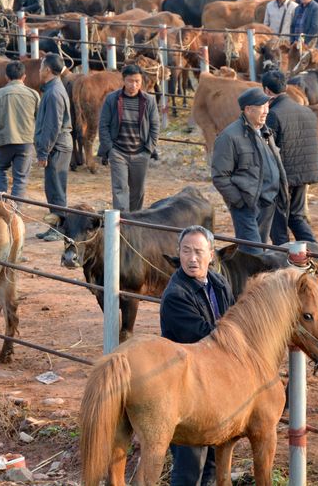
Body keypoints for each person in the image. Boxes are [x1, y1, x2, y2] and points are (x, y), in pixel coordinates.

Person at [159, 225, 234, 486]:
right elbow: (204, 337)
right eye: (186, 251)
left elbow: (231, 319)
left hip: (213, 386)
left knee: (212, 461)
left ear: (211, 255)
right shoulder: (175, 296)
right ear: (178, 254)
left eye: (199, 251)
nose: (192, 258)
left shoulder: (218, 282)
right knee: (189, 467)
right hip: (186, 389)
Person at [212, 87, 288, 255]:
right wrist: (239, 202)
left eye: (267, 106)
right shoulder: (229, 136)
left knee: (261, 250)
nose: (266, 111)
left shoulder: (265, 132)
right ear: (248, 109)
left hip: (268, 203)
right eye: (262, 106)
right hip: (247, 206)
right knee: (252, 254)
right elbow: (220, 176)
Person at [262, 71, 318, 244]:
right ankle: (316, 253)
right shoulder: (307, 112)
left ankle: (283, 258)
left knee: (277, 222)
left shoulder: (273, 114)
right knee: (296, 217)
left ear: (267, 91)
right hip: (304, 173)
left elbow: (268, 149)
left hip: (283, 177)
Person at [98, 64, 160, 212]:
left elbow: (155, 126)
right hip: (118, 152)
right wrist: (110, 149)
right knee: (120, 189)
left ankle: (135, 221)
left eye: (137, 81)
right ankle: (121, 223)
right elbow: (103, 125)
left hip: (140, 152)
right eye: (130, 81)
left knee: (137, 191)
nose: (134, 85)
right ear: (123, 80)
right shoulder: (112, 99)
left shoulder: (149, 100)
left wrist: (148, 149)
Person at [0, 61, 40, 200]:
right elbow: (40, 118)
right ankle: (15, 210)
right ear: (24, 77)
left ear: (6, 77)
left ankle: (1, 205)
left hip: (4, 140)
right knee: (20, 178)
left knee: (0, 171)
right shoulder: (34, 94)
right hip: (25, 141)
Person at [34, 54, 73, 242]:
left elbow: (52, 126)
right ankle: (55, 225)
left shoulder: (53, 92)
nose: (40, 70)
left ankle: (59, 228)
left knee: (56, 188)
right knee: (53, 188)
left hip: (57, 146)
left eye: (41, 67)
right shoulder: (53, 89)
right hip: (58, 145)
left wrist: (43, 151)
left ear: (48, 70)